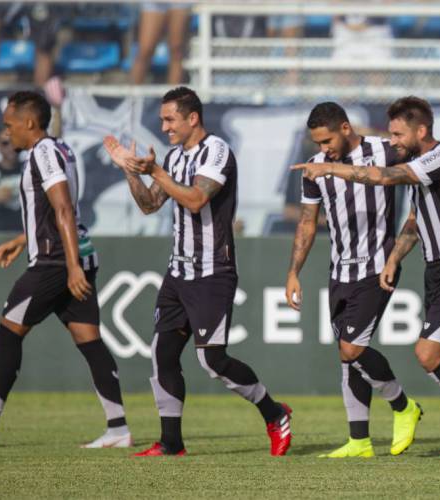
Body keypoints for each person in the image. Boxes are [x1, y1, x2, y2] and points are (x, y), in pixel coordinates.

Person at [293, 96, 440, 459]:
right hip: (437, 271)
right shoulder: (422, 166)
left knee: (427, 354)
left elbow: (385, 176)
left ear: (421, 131)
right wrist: (395, 257)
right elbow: (414, 221)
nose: (393, 142)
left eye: (398, 134)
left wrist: (330, 169)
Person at [103, 86, 292, 457]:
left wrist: (153, 168)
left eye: (170, 119)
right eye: (162, 119)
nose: (165, 126)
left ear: (193, 118)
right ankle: (171, 442)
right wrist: (130, 170)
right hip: (178, 271)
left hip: (212, 271)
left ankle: (274, 413)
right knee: (163, 354)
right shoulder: (174, 158)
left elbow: (195, 200)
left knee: (213, 360)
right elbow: (148, 206)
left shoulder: (217, 152)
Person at [0, 91, 131, 449]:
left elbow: (61, 209)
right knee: (89, 341)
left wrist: (71, 267)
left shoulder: (43, 153)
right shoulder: (59, 149)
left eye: (9, 124)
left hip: (55, 261)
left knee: (9, 331)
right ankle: (118, 428)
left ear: (29, 123)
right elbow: (54, 211)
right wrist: (22, 238)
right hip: (74, 254)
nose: (6, 131)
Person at [286, 102, 422, 458]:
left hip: (377, 266)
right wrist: (293, 273)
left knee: (352, 347)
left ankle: (404, 406)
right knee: (347, 355)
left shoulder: (384, 150)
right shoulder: (315, 167)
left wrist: (412, 225)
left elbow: (424, 170)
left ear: (346, 128)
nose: (324, 149)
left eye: (328, 140)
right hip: (340, 271)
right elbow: (306, 221)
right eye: (318, 142)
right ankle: (359, 440)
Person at [130, 3, 189, 85]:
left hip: (179, 4)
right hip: (154, 4)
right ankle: (133, 94)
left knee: (177, 50)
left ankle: (175, 95)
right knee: (145, 49)